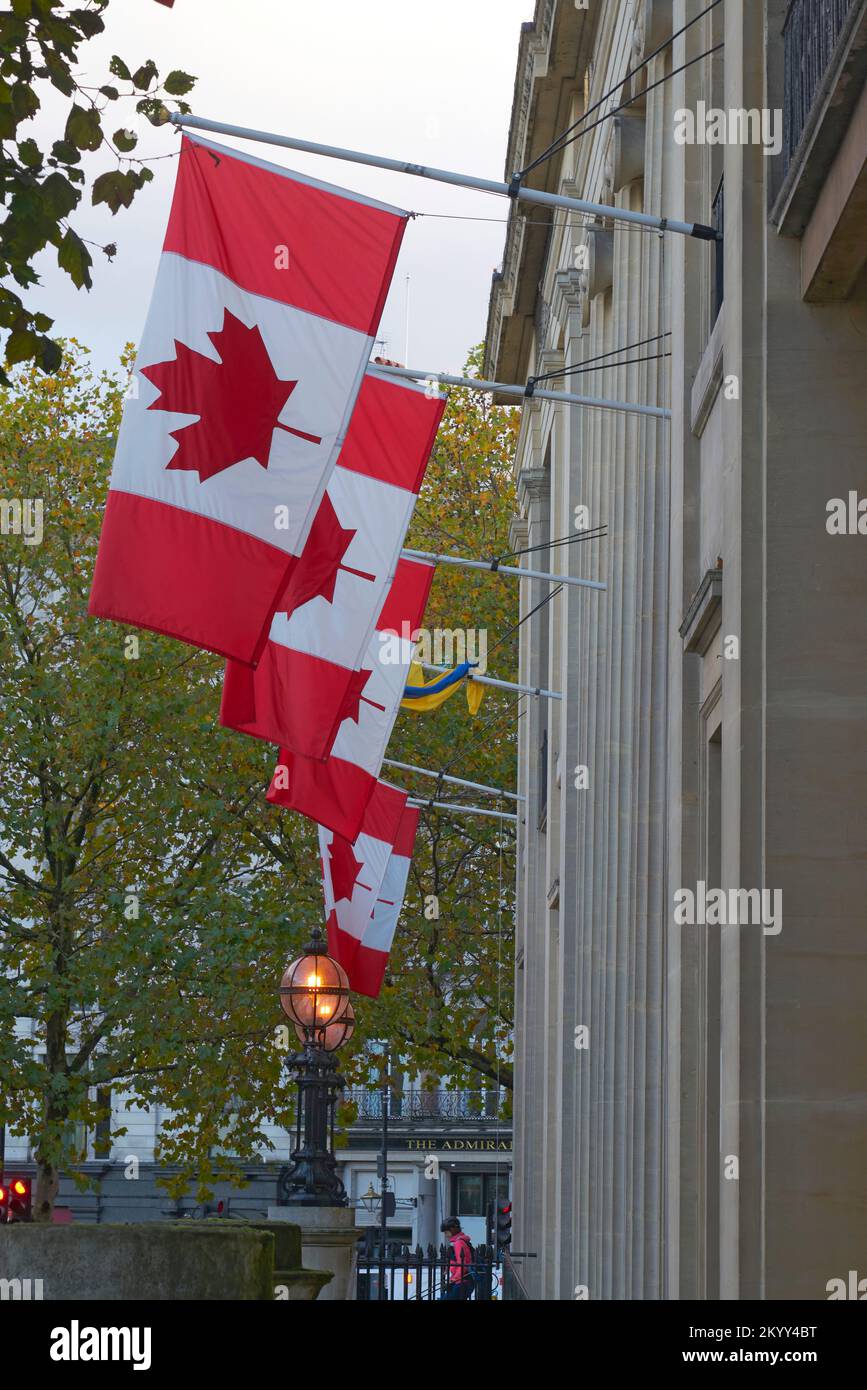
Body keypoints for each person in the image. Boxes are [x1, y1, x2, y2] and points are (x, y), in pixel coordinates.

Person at [440, 1217, 475, 1299]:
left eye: (446, 1232)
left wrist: (453, 1280)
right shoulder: (461, 1241)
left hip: (461, 1281)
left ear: (452, 1229)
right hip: (463, 1280)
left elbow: (462, 1264)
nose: (446, 1235)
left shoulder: (459, 1243)